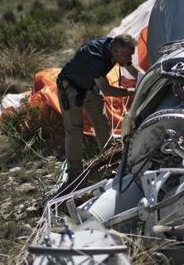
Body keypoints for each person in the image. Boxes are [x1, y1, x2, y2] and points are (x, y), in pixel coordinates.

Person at [57, 33, 139, 183]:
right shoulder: (94, 54)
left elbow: (131, 68)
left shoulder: (116, 49)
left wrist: (143, 80)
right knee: (74, 129)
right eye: (128, 56)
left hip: (89, 86)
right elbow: (107, 90)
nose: (130, 59)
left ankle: (111, 161)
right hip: (71, 87)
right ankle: (75, 176)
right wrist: (133, 92)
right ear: (116, 51)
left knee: (102, 123)